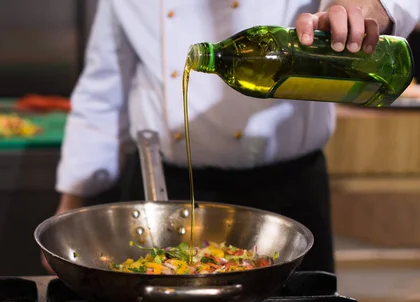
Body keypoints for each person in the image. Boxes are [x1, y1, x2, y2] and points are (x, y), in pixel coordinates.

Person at [45, 0, 420, 274]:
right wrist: (71, 201)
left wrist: (373, 5)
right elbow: (103, 91)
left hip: (285, 203)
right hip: (162, 200)